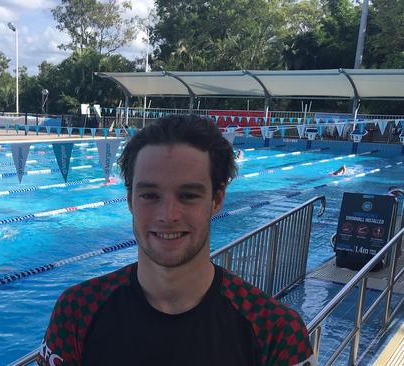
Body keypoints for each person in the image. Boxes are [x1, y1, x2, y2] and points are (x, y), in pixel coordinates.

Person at [38, 115, 313, 365]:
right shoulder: (77, 311)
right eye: (149, 195)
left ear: (217, 200)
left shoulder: (275, 332)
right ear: (130, 199)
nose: (168, 215)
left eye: (188, 195)